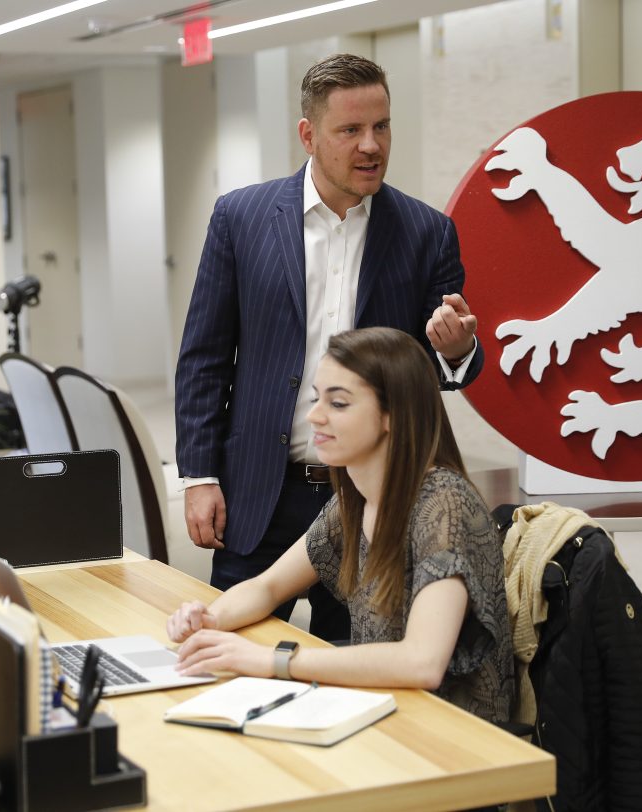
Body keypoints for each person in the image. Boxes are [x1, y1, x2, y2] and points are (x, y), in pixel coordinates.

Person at [175, 53, 484, 642]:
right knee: (228, 649)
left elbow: (441, 371)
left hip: (375, 500)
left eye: (382, 126)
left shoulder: (426, 232)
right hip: (262, 490)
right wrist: (199, 475)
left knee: (363, 667)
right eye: (350, 130)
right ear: (309, 134)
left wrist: (456, 348)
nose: (371, 145)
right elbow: (204, 359)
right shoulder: (241, 219)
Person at [168, 328, 512, 724]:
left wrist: (273, 660)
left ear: (392, 415)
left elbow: (422, 662)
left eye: (338, 403)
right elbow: (268, 587)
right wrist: (209, 619)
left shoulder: (444, 506)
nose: (314, 416)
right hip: (382, 711)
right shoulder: (355, 498)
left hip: (449, 734)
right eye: (316, 398)